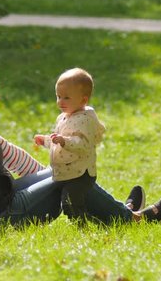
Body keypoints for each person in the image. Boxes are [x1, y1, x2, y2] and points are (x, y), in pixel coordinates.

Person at [0, 58, 161, 226]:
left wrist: (48, 180)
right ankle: (134, 219)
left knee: (63, 175)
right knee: (68, 178)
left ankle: (116, 211)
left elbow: (11, 154)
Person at [34, 68, 105, 221]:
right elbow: (58, 141)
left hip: (81, 172)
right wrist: (46, 140)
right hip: (67, 170)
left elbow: (83, 144)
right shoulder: (64, 117)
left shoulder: (85, 120)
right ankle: (93, 219)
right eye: (58, 96)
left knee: (71, 201)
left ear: (83, 100)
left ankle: (82, 224)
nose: (60, 102)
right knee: (70, 200)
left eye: (66, 97)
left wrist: (64, 141)